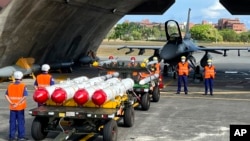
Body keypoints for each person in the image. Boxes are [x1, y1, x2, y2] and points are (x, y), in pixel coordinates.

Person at [5, 71, 28, 141]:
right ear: (21, 77)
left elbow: (6, 95)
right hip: (20, 107)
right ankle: (21, 137)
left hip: (12, 107)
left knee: (12, 122)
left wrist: (11, 102)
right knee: (20, 122)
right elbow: (24, 96)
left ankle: (12, 137)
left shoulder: (10, 85)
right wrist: (18, 103)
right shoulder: (23, 85)